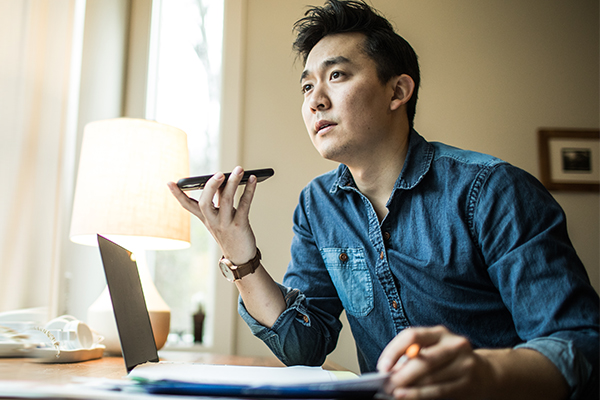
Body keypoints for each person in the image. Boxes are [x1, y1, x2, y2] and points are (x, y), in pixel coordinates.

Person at [165, 1, 599, 399]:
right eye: (306, 86)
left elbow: (579, 345)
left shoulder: (494, 190)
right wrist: (237, 249)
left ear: (398, 92)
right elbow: (304, 345)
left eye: (336, 76)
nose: (315, 100)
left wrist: (484, 373)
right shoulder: (318, 206)